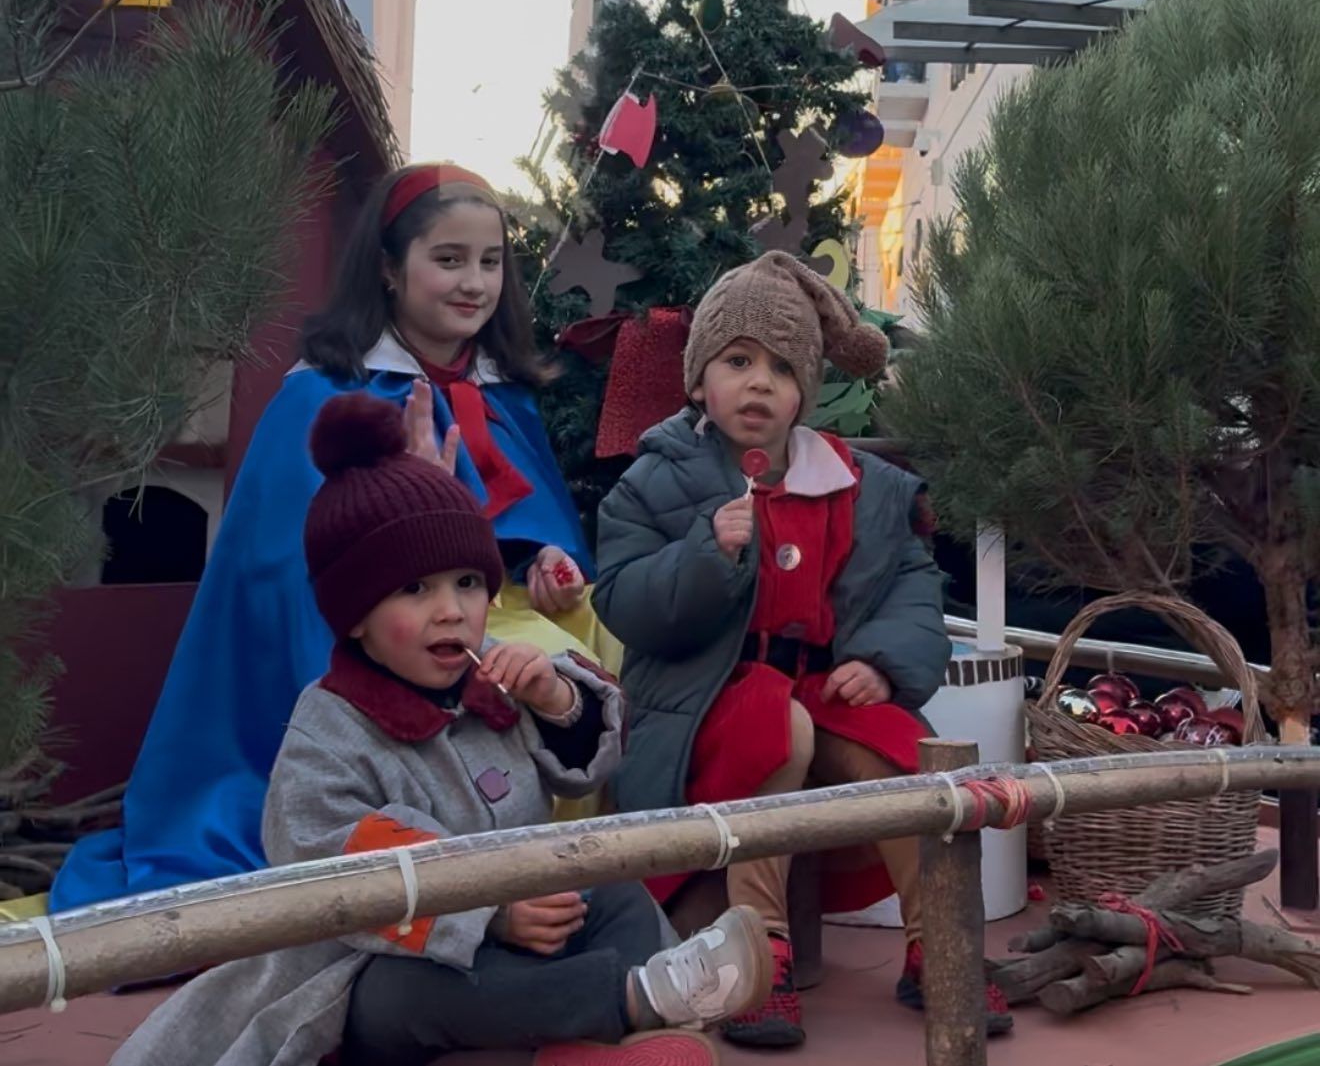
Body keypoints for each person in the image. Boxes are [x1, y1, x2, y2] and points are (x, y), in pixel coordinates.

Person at [110, 392, 772, 1066]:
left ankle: (599, 1044)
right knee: (408, 994)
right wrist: (487, 913)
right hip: (382, 959)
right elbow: (340, 869)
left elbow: (591, 759)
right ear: (355, 615)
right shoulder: (330, 726)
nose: (451, 611)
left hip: (526, 924)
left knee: (613, 895)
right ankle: (632, 1005)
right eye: (416, 590)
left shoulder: (494, 682)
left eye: (467, 582)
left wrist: (554, 697)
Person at [55, 163, 618, 912]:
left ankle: (549, 863)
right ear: (389, 268)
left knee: (587, 639)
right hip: (375, 620)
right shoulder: (321, 392)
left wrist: (549, 560)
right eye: (448, 260)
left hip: (481, 599)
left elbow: (526, 523)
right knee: (533, 658)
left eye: (489, 262)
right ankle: (461, 877)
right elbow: (291, 566)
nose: (474, 283)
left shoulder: (499, 390)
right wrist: (411, 505)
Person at [593, 252, 1012, 1049]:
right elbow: (623, 597)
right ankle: (761, 951)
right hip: (703, 704)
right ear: (698, 379)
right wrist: (704, 555)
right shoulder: (655, 481)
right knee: (774, 728)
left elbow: (912, 587)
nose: (759, 383)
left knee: (907, 751)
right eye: (738, 361)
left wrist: (883, 659)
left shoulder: (857, 484)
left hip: (825, 688)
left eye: (783, 368)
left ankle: (938, 943)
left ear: (806, 391)